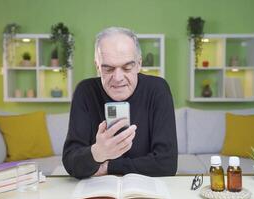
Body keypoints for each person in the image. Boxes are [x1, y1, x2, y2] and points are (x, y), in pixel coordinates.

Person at [62, 27, 177, 179]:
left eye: (127, 67)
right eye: (108, 69)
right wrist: (97, 152)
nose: (118, 78)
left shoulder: (157, 89)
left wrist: (109, 166)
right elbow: (71, 162)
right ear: (97, 67)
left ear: (138, 64)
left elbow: (166, 163)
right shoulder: (85, 91)